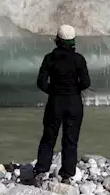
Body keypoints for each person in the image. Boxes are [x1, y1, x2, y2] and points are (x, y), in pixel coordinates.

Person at [31, 24, 91, 183]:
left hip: (55, 102)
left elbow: (41, 83)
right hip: (74, 103)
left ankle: (41, 171)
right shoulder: (79, 59)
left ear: (57, 40)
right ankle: (67, 174)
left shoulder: (49, 58)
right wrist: (73, 89)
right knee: (70, 140)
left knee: (48, 138)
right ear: (73, 41)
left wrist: (54, 90)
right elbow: (86, 83)